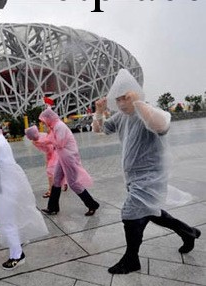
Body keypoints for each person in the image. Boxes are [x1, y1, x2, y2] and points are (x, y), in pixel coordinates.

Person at [92, 69, 201, 274]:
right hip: (133, 177)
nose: (122, 103)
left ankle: (131, 259)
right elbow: (100, 131)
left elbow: (161, 125)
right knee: (151, 212)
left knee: (130, 213)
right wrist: (98, 111)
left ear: (135, 95)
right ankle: (188, 232)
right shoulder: (121, 117)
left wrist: (139, 104)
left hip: (151, 176)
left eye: (125, 98)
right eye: (118, 99)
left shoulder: (148, 111)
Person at [0, 113, 49, 270]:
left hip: (3, 189)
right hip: (6, 185)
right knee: (8, 218)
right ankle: (18, 245)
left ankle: (17, 255)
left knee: (6, 220)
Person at [38, 107, 99, 216]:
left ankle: (92, 204)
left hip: (69, 158)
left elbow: (59, 143)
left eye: (44, 120)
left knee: (73, 183)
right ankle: (52, 208)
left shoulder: (59, 126)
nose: (44, 123)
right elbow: (49, 139)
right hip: (62, 158)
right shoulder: (54, 126)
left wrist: (50, 140)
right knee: (56, 181)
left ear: (49, 118)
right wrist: (39, 140)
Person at [25, 125, 67, 198]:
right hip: (49, 154)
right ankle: (64, 182)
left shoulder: (42, 138)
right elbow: (44, 148)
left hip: (55, 152)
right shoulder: (35, 141)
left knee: (50, 171)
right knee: (53, 171)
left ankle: (51, 190)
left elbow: (52, 142)